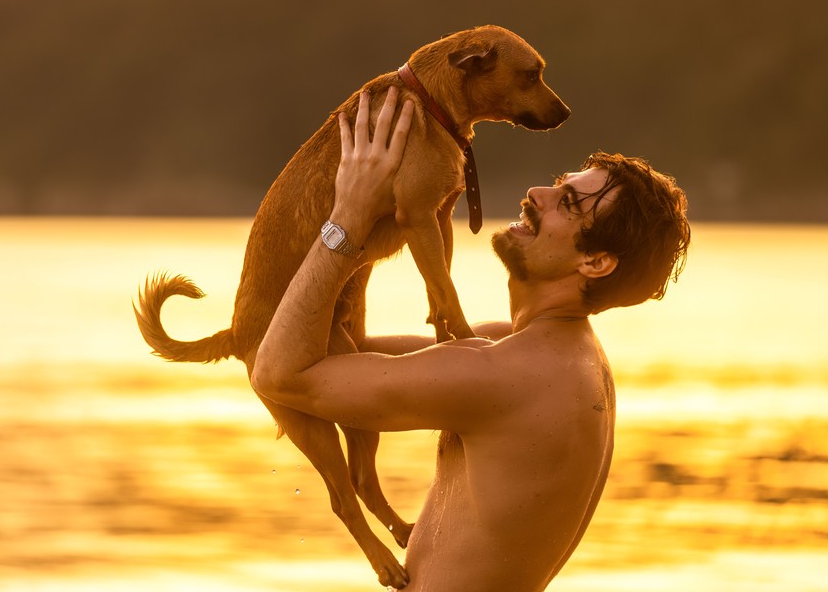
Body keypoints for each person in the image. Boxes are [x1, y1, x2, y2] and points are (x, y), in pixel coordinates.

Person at [251, 87, 691, 591]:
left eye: (565, 203)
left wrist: (348, 215)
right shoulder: (529, 356)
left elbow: (280, 373)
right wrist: (395, 204)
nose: (536, 194)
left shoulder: (510, 375)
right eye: (556, 184)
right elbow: (330, 354)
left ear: (594, 262)